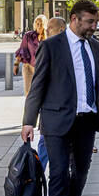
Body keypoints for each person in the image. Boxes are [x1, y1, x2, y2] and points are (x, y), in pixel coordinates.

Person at [21, 1, 99, 196]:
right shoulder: (51, 46)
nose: (94, 27)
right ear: (74, 19)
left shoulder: (96, 46)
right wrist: (28, 121)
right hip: (56, 122)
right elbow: (37, 86)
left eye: (96, 22)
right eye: (90, 22)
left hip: (86, 121)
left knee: (80, 174)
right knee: (59, 175)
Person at [35, 16, 67, 168]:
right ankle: (38, 173)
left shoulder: (66, 48)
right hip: (50, 112)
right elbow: (39, 83)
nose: (46, 31)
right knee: (44, 144)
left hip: (63, 111)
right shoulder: (46, 46)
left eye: (49, 28)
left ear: (61, 29)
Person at [14, 14, 47, 95]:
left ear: (45, 24)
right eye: (37, 23)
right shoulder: (28, 35)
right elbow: (22, 49)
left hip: (42, 69)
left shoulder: (48, 38)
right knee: (29, 92)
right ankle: (29, 108)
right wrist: (16, 64)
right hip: (28, 67)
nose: (39, 25)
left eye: (41, 23)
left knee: (41, 93)